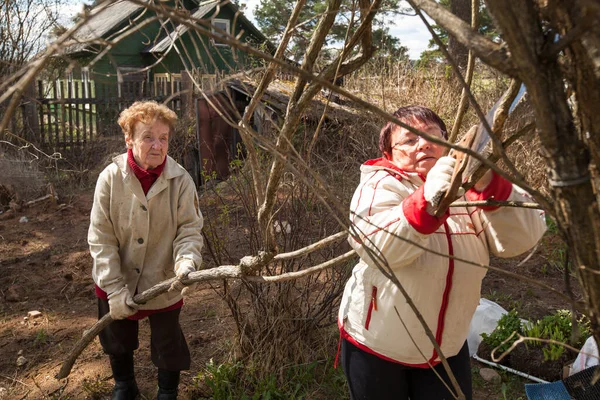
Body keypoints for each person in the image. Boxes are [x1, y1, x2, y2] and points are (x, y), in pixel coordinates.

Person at [338, 105, 546, 400]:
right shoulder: (380, 184)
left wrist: (487, 184)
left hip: (446, 347)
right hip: (378, 344)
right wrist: (429, 197)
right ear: (389, 154)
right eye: (409, 140)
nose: (423, 144)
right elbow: (379, 247)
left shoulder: (467, 189)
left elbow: (522, 238)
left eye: (432, 135)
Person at [88, 101, 204, 400]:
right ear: (129, 139)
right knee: (117, 335)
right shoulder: (110, 179)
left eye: (163, 137)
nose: (157, 145)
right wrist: (114, 288)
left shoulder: (181, 180)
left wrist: (186, 262)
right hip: (117, 275)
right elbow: (101, 238)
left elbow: (189, 230)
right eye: (148, 137)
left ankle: (167, 392)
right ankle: (124, 385)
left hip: (163, 276)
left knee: (168, 340)